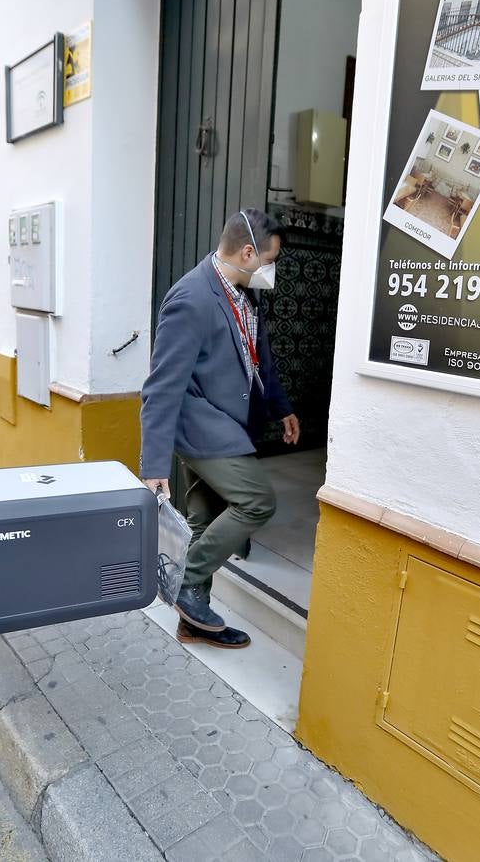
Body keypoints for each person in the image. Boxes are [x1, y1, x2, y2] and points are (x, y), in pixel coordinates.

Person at [140, 208, 300, 649]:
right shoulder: (191, 298)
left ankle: (195, 623)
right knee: (255, 501)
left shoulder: (244, 291)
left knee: (205, 517)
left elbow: (258, 359)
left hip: (230, 420)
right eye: (270, 259)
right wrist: (153, 464)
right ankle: (186, 583)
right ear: (248, 253)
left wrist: (282, 408)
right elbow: (161, 387)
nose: (272, 268)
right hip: (201, 426)